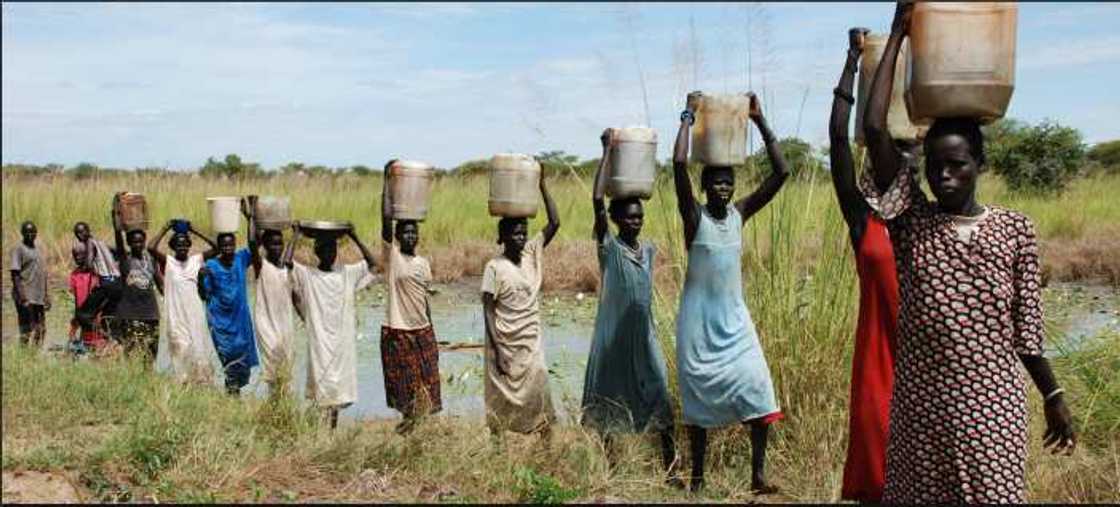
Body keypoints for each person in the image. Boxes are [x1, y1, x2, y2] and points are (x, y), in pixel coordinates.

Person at [862, 3, 1076, 503]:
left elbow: (1028, 332)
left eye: (957, 164)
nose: (944, 176)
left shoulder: (1015, 229)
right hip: (922, 409)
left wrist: (1053, 395)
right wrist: (897, 33)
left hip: (992, 408)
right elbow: (874, 129)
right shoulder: (912, 222)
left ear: (979, 163)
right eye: (935, 166)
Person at [672, 91, 788, 493]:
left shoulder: (740, 214)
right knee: (698, 403)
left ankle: (757, 477)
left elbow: (782, 174)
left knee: (758, 387)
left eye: (728, 183)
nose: (723, 188)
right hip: (698, 325)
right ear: (705, 188)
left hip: (734, 323)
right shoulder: (694, 218)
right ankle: (698, 480)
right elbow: (678, 164)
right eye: (716, 183)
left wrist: (760, 120)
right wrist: (687, 115)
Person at [828, 27, 905, 503]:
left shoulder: (931, 218)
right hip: (879, 369)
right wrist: (853, 61)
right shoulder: (866, 220)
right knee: (880, 481)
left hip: (931, 367)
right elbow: (840, 138)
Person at [580, 130, 679, 484]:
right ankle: (610, 469)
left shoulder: (648, 251)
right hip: (613, 340)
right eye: (631, 217)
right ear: (618, 219)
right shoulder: (609, 247)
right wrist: (606, 151)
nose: (636, 221)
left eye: (640, 217)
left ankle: (671, 471)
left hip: (643, 338)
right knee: (608, 397)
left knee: (659, 396)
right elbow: (596, 199)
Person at [481, 174, 561, 448]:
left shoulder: (531, 253)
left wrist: (541, 183)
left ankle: (547, 449)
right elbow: (488, 311)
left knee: (540, 387)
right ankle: (497, 449)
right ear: (502, 237)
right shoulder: (494, 267)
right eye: (515, 233)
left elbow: (555, 222)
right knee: (500, 396)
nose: (521, 237)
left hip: (531, 344)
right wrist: (499, 351)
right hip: (504, 342)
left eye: (524, 232)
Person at [287, 223, 377, 429]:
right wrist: (296, 236)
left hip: (342, 342)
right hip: (320, 341)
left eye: (333, 248)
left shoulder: (347, 273)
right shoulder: (308, 275)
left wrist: (354, 236)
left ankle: (331, 431)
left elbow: (374, 265)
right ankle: (320, 430)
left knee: (337, 391)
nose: (330, 253)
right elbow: (286, 264)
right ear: (316, 251)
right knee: (322, 386)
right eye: (325, 248)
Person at [379, 164, 442, 434]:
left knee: (427, 391)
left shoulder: (423, 263)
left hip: (421, 330)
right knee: (406, 393)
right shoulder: (393, 258)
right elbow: (384, 219)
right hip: (399, 331)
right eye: (405, 232)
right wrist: (387, 182)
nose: (410, 236)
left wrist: (432, 328)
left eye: (413, 232)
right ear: (397, 236)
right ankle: (406, 431)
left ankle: (411, 433)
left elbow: (424, 299)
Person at [149, 220, 220, 385]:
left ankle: (201, 383)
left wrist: (194, 230)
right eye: (178, 245)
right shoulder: (168, 262)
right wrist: (165, 228)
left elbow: (216, 248)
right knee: (180, 348)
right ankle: (182, 384)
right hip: (176, 315)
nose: (182, 248)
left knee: (198, 349)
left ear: (189, 246)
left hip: (194, 314)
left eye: (185, 245)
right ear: (173, 247)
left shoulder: (196, 260)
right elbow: (151, 248)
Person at [246, 198, 302, 396]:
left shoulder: (287, 268)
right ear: (266, 246)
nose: (277, 247)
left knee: (286, 369)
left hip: (285, 325)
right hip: (267, 325)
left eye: (280, 243)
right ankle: (275, 404)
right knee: (273, 368)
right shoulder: (262, 267)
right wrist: (252, 214)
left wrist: (306, 318)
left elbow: (295, 297)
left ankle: (282, 410)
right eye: (273, 244)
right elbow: (252, 242)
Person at [198, 218, 258, 396]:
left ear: (235, 245)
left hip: (240, 322)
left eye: (231, 245)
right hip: (221, 324)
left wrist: (251, 218)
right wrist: (200, 279)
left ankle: (233, 397)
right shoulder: (211, 265)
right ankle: (232, 400)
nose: (228, 249)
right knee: (229, 364)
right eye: (224, 246)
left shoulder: (241, 259)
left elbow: (255, 244)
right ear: (219, 247)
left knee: (242, 365)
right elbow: (203, 295)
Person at [110, 195, 163, 361]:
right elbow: (118, 237)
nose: (137, 245)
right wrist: (116, 218)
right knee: (130, 353)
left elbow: (160, 283)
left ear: (144, 241)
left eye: (140, 242)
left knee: (152, 353)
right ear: (129, 243)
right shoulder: (125, 258)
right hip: (129, 313)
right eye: (134, 242)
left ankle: (148, 382)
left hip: (150, 313)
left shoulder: (151, 260)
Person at [10, 221, 50, 347]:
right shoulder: (19, 249)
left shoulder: (38, 250)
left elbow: (43, 274)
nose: (30, 234)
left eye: (33, 232)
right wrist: (22, 295)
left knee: (41, 328)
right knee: (27, 328)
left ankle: (35, 353)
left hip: (38, 295)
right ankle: (24, 354)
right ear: (22, 233)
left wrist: (46, 295)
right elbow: (15, 274)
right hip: (25, 294)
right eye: (27, 232)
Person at [68, 243, 109, 354]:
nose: (78, 258)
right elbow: (76, 298)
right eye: (75, 255)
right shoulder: (74, 274)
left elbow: (104, 296)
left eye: (81, 255)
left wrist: (98, 315)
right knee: (79, 345)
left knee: (98, 344)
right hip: (82, 315)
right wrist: (76, 317)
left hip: (95, 316)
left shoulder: (96, 274)